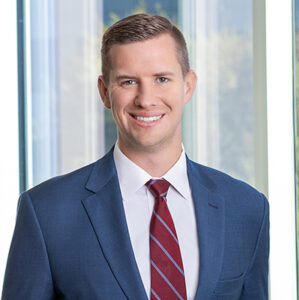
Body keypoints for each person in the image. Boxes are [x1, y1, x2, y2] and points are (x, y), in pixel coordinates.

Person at [2, 13, 269, 300]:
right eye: (128, 82)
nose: (146, 99)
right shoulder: (47, 213)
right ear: (104, 92)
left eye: (162, 79)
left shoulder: (247, 210)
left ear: (188, 85)